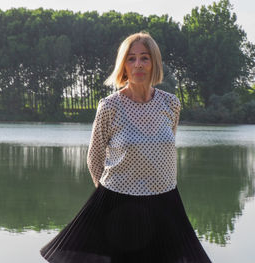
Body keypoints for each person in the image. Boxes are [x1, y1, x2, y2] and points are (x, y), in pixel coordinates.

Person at [40, 32, 212, 263]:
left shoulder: (171, 104)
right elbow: (95, 157)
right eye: (131, 58)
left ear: (154, 63)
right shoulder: (109, 106)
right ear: (123, 65)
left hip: (165, 202)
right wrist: (108, 201)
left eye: (144, 58)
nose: (138, 64)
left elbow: (165, 147)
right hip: (118, 203)